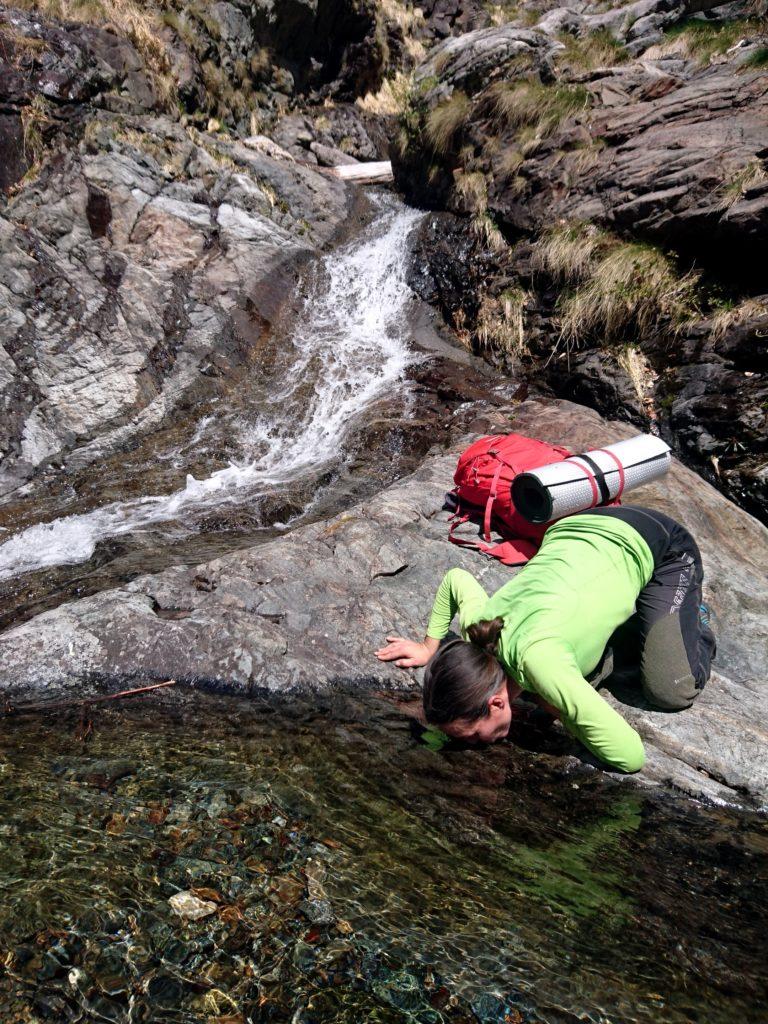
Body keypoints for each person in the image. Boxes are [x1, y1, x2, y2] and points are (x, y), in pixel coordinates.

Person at [375, 505, 716, 773]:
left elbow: (630, 756)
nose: (476, 743)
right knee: (592, 667)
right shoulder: (479, 629)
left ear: (496, 703)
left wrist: (562, 708)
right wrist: (428, 647)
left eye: (474, 735)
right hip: (574, 530)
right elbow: (455, 579)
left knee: (670, 689)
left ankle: (694, 618)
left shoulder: (542, 663)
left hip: (656, 545)